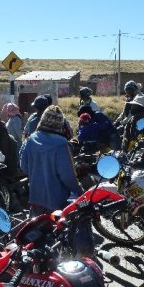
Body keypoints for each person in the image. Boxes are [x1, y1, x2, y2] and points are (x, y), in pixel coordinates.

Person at [20, 106, 92, 256]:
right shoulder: (61, 144)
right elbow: (67, 176)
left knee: (35, 236)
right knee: (65, 234)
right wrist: (80, 192)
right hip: (58, 201)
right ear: (60, 124)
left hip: (35, 198)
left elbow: (23, 167)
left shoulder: (30, 140)